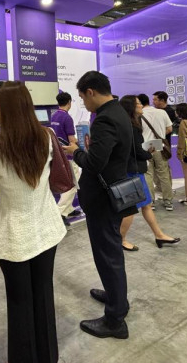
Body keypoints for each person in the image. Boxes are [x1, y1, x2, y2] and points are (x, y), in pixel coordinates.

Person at [0, 81, 66, 363]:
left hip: (13, 235)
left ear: (1, 110)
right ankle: (48, 356)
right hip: (47, 229)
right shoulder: (46, 136)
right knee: (43, 294)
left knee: (19, 302)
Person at [63, 71, 136, 340]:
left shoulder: (105, 118)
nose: (83, 103)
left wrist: (75, 152)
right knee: (111, 252)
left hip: (104, 199)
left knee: (108, 255)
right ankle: (116, 297)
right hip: (114, 193)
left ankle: (115, 320)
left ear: (91, 92)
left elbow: (94, 163)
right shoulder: (119, 111)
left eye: (83, 97)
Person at [118, 95, 180, 251]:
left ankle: (159, 235)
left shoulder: (132, 124)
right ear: (131, 107)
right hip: (133, 171)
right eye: (138, 104)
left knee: (146, 205)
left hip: (135, 170)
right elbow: (136, 151)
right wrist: (148, 152)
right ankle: (120, 239)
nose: (141, 106)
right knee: (131, 208)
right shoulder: (131, 127)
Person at [50, 91, 82, 226]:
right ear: (69, 102)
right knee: (73, 184)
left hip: (58, 154)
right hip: (68, 155)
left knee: (68, 182)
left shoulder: (54, 116)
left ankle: (69, 209)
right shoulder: (67, 118)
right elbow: (71, 139)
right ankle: (60, 213)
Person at [139, 93, 174, 211]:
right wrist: (160, 134)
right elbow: (170, 129)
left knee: (148, 174)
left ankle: (151, 202)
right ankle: (168, 201)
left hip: (146, 146)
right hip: (159, 145)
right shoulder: (162, 112)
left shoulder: (139, 114)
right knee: (163, 174)